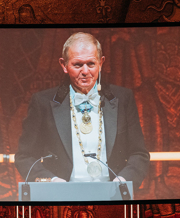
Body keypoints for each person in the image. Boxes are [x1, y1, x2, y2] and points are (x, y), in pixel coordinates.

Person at [15, 32, 150, 191]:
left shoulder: (123, 98)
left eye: (91, 64)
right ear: (64, 65)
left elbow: (139, 154)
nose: (85, 71)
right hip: (61, 196)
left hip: (112, 196)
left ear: (101, 62)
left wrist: (122, 182)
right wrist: (52, 182)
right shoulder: (42, 102)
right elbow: (24, 157)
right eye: (78, 65)